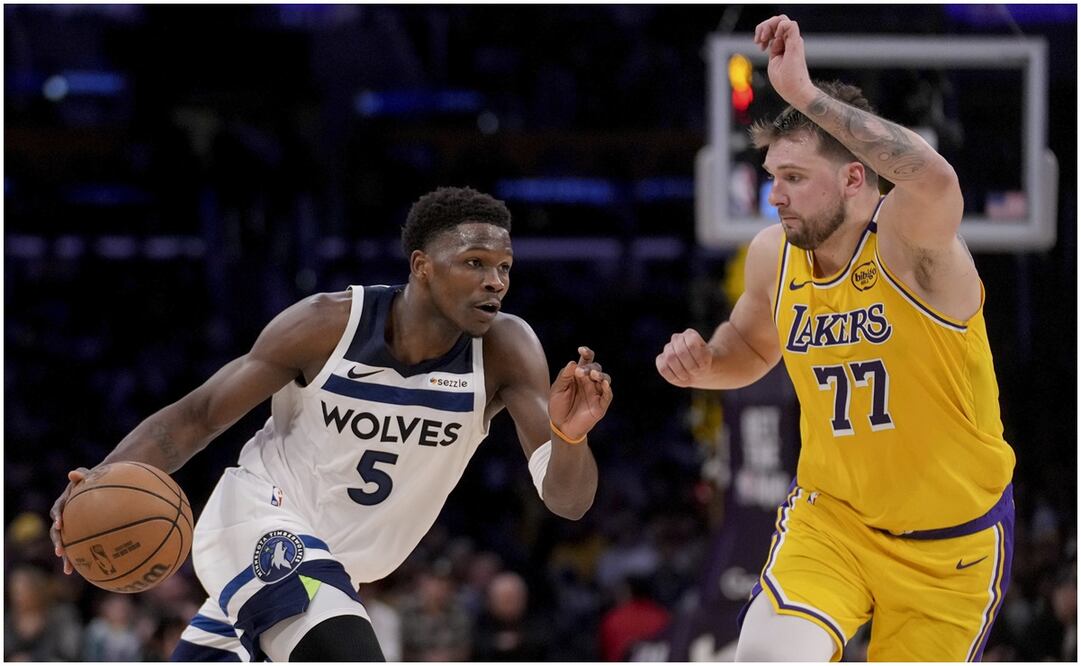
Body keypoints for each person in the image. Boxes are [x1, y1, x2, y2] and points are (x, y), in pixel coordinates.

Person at [50, 185, 613, 662]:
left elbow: (568, 501)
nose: (496, 281)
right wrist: (98, 481)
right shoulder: (328, 324)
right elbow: (196, 417)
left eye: (503, 268)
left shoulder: (507, 350)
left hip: (341, 566)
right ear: (422, 266)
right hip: (260, 521)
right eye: (474, 264)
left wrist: (571, 436)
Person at [656, 15, 1014, 661]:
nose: (774, 196)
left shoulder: (913, 247)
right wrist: (704, 364)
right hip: (834, 523)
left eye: (793, 177)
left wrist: (803, 94)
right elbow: (751, 343)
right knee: (765, 656)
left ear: (854, 178)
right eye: (771, 176)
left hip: (950, 546)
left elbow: (934, 179)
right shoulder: (773, 255)